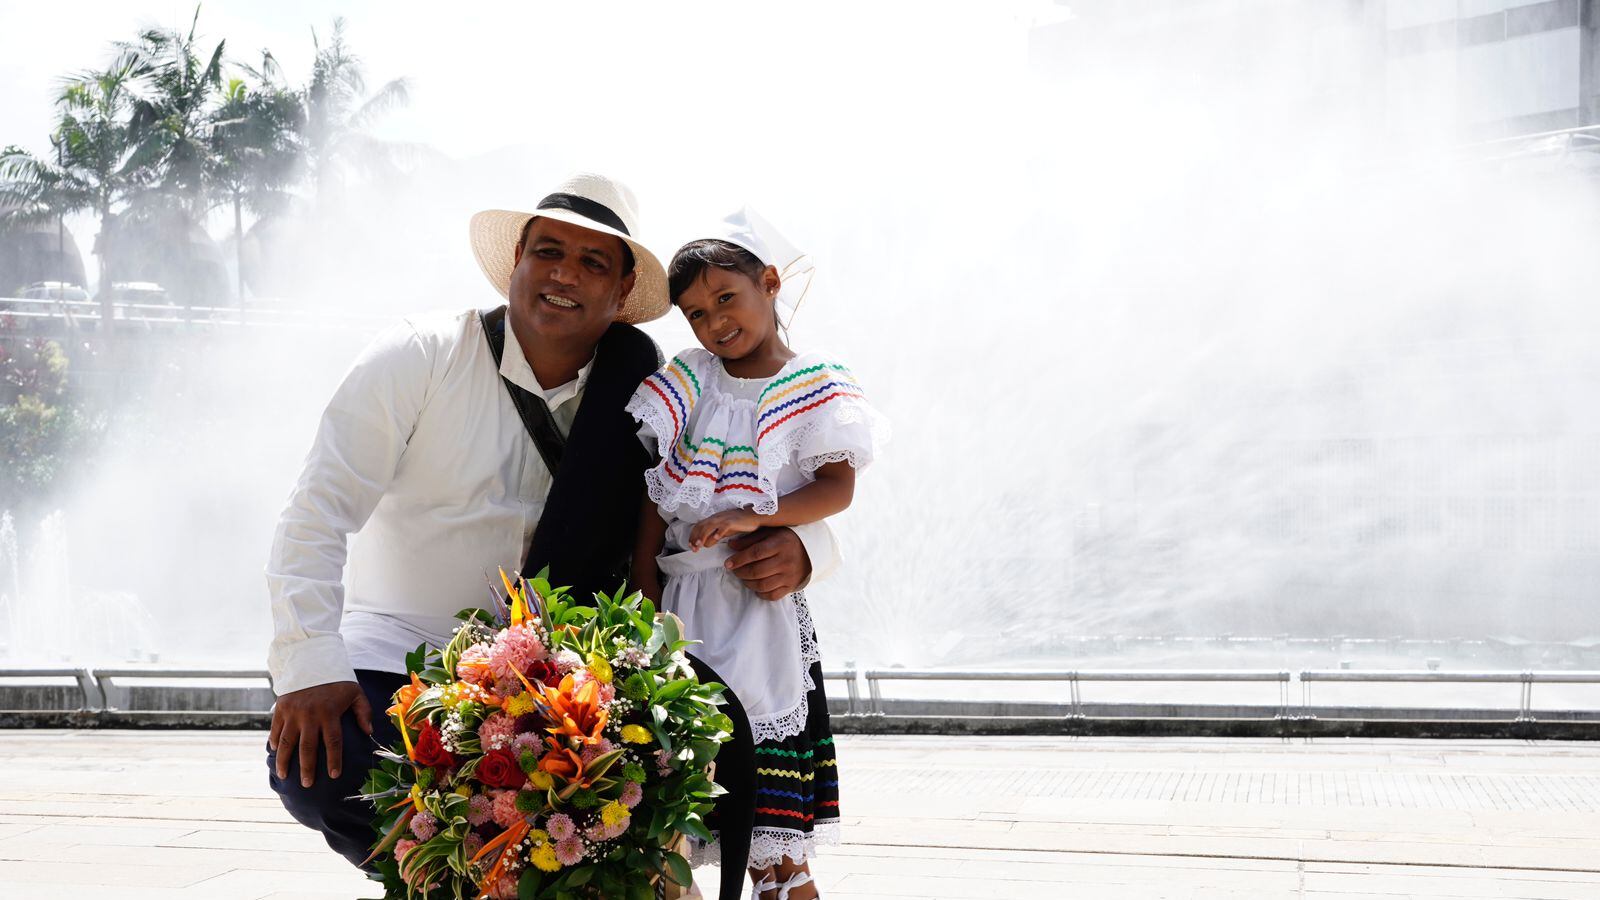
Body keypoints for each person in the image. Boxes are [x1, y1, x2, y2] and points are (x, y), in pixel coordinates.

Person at [263, 176, 838, 897]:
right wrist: (310, 667)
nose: (565, 274)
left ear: (622, 290)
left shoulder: (648, 390)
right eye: (549, 252)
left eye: (593, 263)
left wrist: (807, 550)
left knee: (638, 778)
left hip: (566, 679)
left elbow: (724, 489)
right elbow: (315, 512)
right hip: (402, 655)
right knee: (323, 764)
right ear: (517, 263)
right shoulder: (420, 354)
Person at [628, 208, 887, 900]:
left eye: (726, 298)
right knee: (678, 805)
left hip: (760, 608)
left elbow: (837, 488)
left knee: (774, 841)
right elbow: (655, 496)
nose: (715, 322)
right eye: (695, 313)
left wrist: (757, 514)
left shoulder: (814, 384)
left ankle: (782, 881)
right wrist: (644, 591)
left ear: (769, 283)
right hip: (681, 608)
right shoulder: (687, 382)